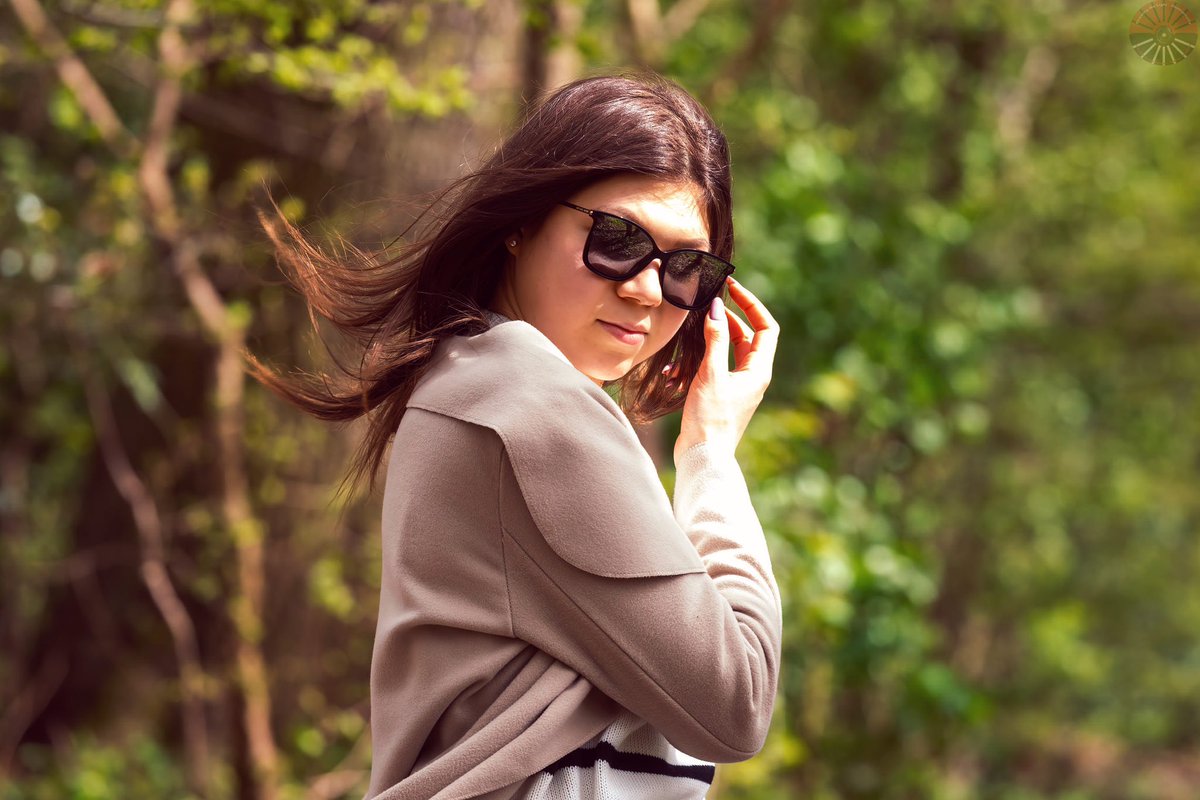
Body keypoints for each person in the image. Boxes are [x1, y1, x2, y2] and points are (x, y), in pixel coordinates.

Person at [248, 68, 782, 799]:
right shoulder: (526, 397)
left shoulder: (465, 378)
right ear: (521, 224)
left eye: (687, 266)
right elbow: (736, 701)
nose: (647, 288)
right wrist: (711, 452)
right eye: (618, 239)